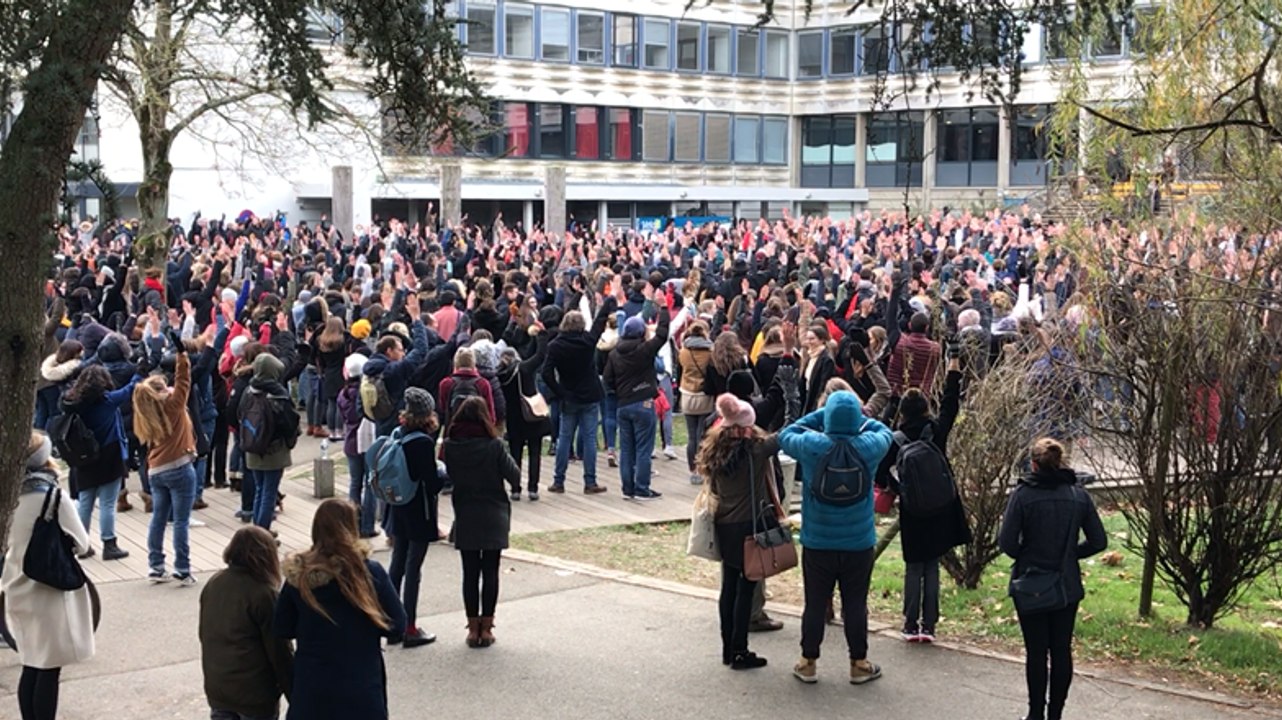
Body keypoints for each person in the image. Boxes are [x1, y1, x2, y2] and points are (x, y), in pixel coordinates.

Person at [779, 390, 893, 685]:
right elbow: (885, 431)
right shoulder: (869, 447)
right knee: (855, 604)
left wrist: (822, 417)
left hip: (818, 541)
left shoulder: (811, 446)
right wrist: (857, 420)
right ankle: (859, 663)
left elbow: (786, 433)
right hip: (859, 543)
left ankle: (807, 662)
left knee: (814, 603)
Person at [999, 438, 1108, 720]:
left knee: (1036, 652)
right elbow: (1098, 540)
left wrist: (1025, 556)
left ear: (1033, 465)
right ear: (1061, 463)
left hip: (1030, 583)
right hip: (1066, 584)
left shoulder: (1022, 496)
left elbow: (1007, 542)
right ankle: (1055, 713)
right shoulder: (1078, 496)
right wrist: (1072, 553)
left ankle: (1035, 712)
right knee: (1061, 649)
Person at [275, 499, 406, 720]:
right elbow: (397, 625)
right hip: (360, 683)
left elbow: (282, 627)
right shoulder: (368, 572)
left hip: (313, 685)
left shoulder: (299, 577)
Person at [876, 356, 971, 642]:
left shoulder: (896, 439)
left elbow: (881, 475)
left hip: (913, 508)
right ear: (926, 408)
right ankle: (929, 625)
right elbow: (951, 405)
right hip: (941, 505)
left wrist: (899, 487)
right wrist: (954, 367)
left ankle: (909, 624)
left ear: (903, 412)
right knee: (932, 565)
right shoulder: (936, 432)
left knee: (913, 565)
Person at [2, 432, 96, 720]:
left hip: (15, 585)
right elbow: (82, 543)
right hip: (48, 591)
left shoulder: (7, 498)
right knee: (49, 669)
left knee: (30, 663)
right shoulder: (54, 497)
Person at [698, 393, 782, 670]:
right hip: (749, 526)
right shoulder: (755, 451)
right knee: (746, 589)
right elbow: (789, 431)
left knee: (728, 588)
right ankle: (740, 651)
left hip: (723, 525)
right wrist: (792, 397)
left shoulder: (713, 449)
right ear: (747, 425)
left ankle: (727, 649)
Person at [443, 396, 522, 648]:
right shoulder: (494, 446)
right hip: (493, 511)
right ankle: (487, 627)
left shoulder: (450, 446)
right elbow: (515, 476)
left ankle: (472, 626)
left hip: (465, 511)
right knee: (490, 571)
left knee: (469, 572)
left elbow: (447, 476)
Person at [199, 526, 294, 720]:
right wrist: (295, 694)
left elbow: (205, 635)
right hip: (254, 694)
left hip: (218, 688)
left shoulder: (214, 583)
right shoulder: (263, 593)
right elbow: (279, 652)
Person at [134, 332, 199, 586]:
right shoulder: (173, 405)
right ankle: (182, 567)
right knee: (180, 520)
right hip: (180, 467)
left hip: (156, 470)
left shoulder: (146, 413)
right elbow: (184, 379)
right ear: (163, 392)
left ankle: (155, 565)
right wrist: (182, 353)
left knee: (158, 518)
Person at [58, 364, 141, 561]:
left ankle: (81, 544)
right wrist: (140, 369)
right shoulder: (107, 401)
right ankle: (109, 543)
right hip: (110, 454)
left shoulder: (72, 402)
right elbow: (132, 388)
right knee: (107, 503)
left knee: (85, 502)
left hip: (83, 456)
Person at [386, 388, 444, 649]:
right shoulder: (422, 442)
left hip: (398, 505)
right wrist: (442, 473)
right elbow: (431, 483)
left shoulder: (398, 434)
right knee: (413, 568)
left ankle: (392, 623)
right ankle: (410, 625)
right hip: (419, 509)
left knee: (397, 564)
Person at [542, 299, 617, 495]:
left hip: (569, 396)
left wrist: (560, 392)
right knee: (590, 438)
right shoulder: (587, 342)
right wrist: (609, 301)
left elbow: (546, 374)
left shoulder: (555, 346)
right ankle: (590, 482)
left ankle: (558, 481)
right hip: (590, 394)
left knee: (564, 438)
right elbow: (600, 323)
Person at [602, 311, 671, 500]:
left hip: (623, 405)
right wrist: (663, 309)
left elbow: (607, 380)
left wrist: (619, 393)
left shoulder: (615, 354)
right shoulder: (644, 350)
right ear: (641, 333)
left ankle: (628, 488)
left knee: (626, 449)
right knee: (643, 448)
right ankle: (642, 487)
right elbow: (662, 335)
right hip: (644, 402)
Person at [239, 352, 300, 533]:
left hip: (252, 446)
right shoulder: (277, 395)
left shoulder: (248, 390)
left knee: (259, 489)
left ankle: (257, 529)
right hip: (274, 450)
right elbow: (289, 423)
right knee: (269, 492)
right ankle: (262, 532)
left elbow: (238, 414)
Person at [338, 353, 378, 537]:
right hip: (368, 440)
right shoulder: (366, 391)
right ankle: (368, 526)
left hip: (351, 441)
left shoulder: (342, 394)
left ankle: (351, 525)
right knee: (370, 484)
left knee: (355, 483)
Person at [677, 320, 715, 485]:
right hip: (704, 395)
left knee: (692, 436)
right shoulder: (710, 353)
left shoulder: (683, 352)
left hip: (687, 394)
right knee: (702, 434)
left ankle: (692, 470)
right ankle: (702, 468)